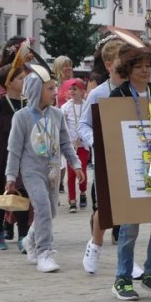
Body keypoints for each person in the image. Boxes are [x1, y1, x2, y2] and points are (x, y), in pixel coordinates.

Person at [111, 45, 151, 300]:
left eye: (148, 65)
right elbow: (110, 130)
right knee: (130, 226)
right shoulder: (118, 95)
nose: (145, 70)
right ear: (128, 69)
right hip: (131, 167)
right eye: (138, 66)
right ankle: (123, 278)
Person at [5, 72, 81, 273]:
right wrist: (11, 176)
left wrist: (76, 164)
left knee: (51, 211)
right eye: (50, 88)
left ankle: (30, 239)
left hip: (53, 171)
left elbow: (65, 143)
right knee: (43, 208)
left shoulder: (57, 114)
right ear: (36, 91)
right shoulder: (21, 117)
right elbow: (14, 149)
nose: (55, 92)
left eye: (55, 87)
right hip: (31, 171)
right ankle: (44, 252)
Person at [77, 35, 141, 276]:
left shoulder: (135, 91)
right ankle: (95, 245)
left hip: (130, 157)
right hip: (105, 158)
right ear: (108, 65)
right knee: (104, 209)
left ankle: (127, 258)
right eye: (120, 62)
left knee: (129, 210)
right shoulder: (98, 94)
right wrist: (97, 141)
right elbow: (83, 125)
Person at [0, 57, 29, 252]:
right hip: (4, 154)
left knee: (23, 193)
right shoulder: (0, 103)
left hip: (25, 154)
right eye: (20, 78)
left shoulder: (27, 102)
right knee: (2, 193)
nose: (24, 81)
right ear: (9, 83)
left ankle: (23, 236)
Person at [61, 79, 89, 213]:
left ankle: (83, 192)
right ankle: (72, 200)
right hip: (71, 145)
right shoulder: (65, 107)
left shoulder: (87, 105)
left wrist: (85, 137)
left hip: (83, 145)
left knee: (82, 170)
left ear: (82, 91)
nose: (72, 91)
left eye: (75, 89)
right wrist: (68, 140)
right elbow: (62, 125)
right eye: (70, 89)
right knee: (71, 173)